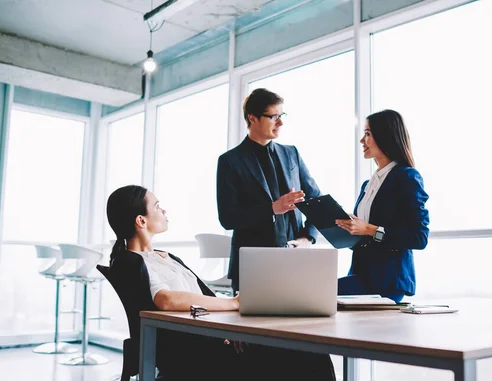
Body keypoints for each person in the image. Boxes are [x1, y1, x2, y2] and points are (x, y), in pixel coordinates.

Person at [106, 185, 335, 381]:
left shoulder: (165, 257)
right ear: (141, 220)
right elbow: (166, 300)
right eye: (157, 206)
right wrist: (234, 303)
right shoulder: (132, 262)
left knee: (311, 353)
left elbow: (200, 299)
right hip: (196, 355)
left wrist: (231, 327)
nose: (164, 210)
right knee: (311, 357)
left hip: (212, 341)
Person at [217, 88, 322, 293]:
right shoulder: (230, 161)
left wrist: (307, 238)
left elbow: (316, 199)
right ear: (252, 118)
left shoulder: (292, 153)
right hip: (251, 266)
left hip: (295, 261)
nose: (280, 122)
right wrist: (272, 208)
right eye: (273, 116)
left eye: (281, 116)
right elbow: (228, 218)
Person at [335, 110, 429, 302]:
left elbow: (419, 238)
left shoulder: (407, 177)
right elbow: (367, 239)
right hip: (361, 273)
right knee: (319, 291)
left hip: (387, 281)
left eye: (368, 134)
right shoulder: (368, 185)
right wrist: (349, 228)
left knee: (321, 292)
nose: (362, 140)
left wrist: (369, 229)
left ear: (385, 136)